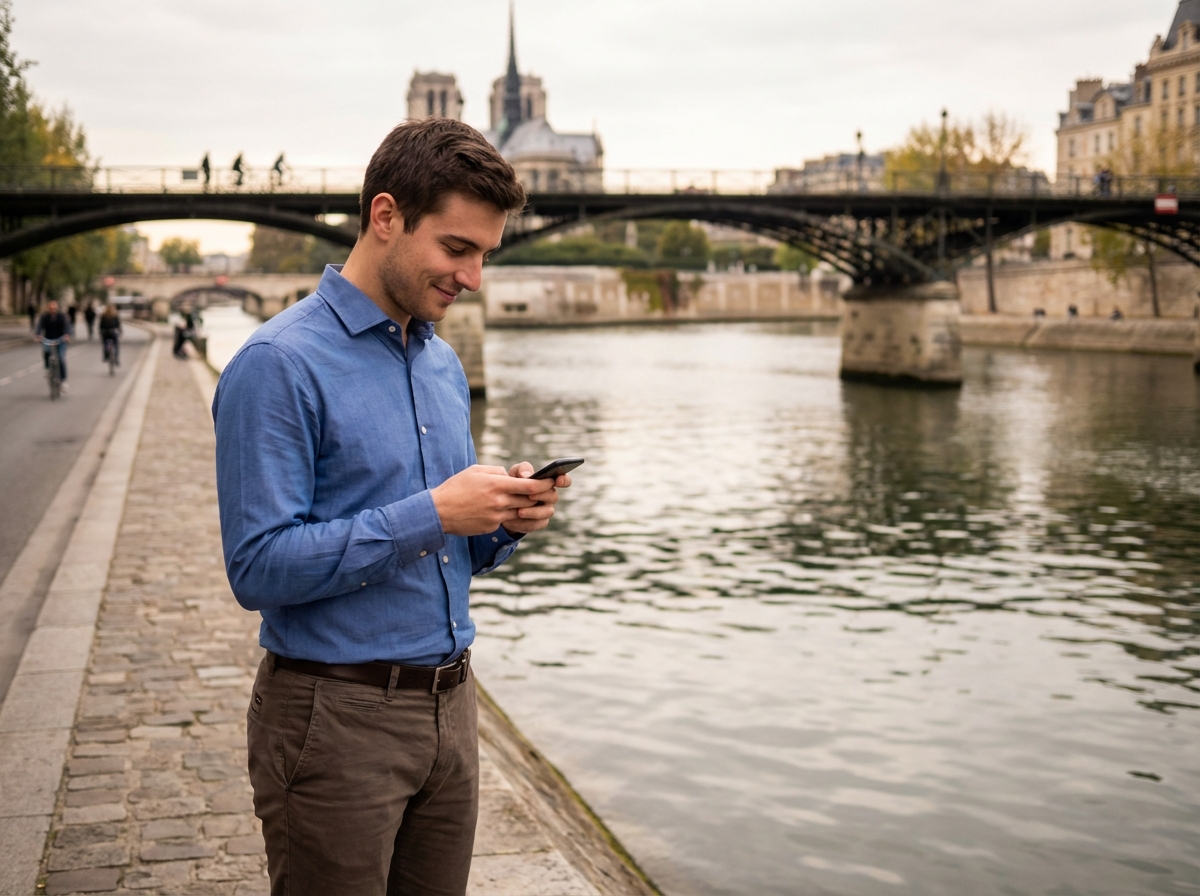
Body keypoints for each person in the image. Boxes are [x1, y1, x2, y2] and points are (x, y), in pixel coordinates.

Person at [212, 117, 568, 896]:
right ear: (385, 217)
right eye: (457, 248)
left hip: (453, 708)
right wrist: (435, 511)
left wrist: (500, 521)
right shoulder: (278, 365)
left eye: (483, 254)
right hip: (333, 720)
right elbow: (257, 568)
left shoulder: (441, 363)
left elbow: (444, 547)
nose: (472, 278)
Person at [34, 299, 72, 390]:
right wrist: (37, 335)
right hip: (48, 339)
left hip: (60, 339)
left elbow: (66, 326)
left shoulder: (61, 316)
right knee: (46, 353)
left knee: (61, 359)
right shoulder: (44, 317)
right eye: (51, 308)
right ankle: (48, 369)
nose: (53, 310)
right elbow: (39, 326)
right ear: (48, 308)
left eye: (54, 308)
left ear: (57, 308)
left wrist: (67, 335)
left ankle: (63, 381)